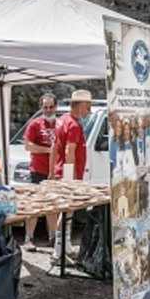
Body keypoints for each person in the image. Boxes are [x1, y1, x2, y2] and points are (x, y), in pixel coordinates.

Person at [49, 89, 92, 264]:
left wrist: (52, 172)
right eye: (88, 106)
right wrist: (70, 179)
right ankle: (58, 252)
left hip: (61, 172)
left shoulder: (62, 120)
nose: (89, 110)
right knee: (66, 211)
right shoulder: (73, 125)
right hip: (68, 174)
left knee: (66, 211)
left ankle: (64, 248)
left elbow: (54, 147)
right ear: (80, 105)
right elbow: (69, 151)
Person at [22, 94, 58, 251]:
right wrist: (48, 150)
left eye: (51, 107)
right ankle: (29, 238)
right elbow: (28, 146)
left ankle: (54, 238)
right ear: (41, 107)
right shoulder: (35, 124)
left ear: (55, 107)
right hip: (38, 171)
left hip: (55, 171)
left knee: (53, 206)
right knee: (34, 206)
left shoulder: (60, 124)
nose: (48, 110)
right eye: (45, 107)